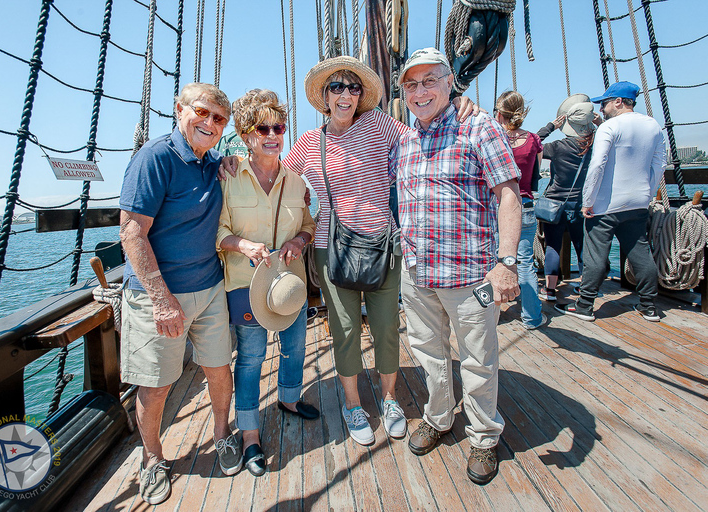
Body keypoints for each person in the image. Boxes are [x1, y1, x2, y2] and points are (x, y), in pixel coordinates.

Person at [277, 56, 476, 446]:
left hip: (386, 245)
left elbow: (426, 130)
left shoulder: (379, 124)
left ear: (362, 95)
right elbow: (276, 173)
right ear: (324, 97)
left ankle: (389, 400)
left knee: (386, 327)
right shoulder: (308, 143)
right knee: (345, 330)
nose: (346, 94)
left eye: (353, 87)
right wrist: (231, 164)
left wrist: (459, 107)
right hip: (330, 248)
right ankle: (353, 404)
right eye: (337, 87)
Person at [389, 48, 522, 485]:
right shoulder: (404, 139)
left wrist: (506, 263)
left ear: (450, 84)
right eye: (412, 83)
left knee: (478, 360)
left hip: (469, 276)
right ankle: (439, 416)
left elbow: (508, 195)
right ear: (403, 92)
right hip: (418, 272)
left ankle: (484, 436)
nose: (420, 90)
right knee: (428, 354)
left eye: (430, 80)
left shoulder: (477, 125)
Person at [118, 83, 241, 505]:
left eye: (219, 119)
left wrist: (229, 161)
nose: (209, 123)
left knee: (218, 368)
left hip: (209, 289)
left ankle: (223, 435)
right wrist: (160, 297)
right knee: (155, 386)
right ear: (180, 110)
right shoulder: (154, 158)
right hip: (160, 297)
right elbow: (132, 231)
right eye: (202, 113)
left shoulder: (212, 163)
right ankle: (152, 459)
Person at [216, 89, 318, 476]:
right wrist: (242, 245)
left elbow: (309, 225)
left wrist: (298, 240)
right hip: (246, 285)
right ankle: (250, 436)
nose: (273, 134)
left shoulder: (296, 182)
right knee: (251, 360)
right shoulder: (228, 177)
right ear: (246, 134)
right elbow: (217, 233)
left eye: (279, 126)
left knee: (295, 348)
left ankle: (289, 400)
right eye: (263, 127)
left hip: (288, 287)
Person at [555, 81, 666, 322]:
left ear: (618, 102)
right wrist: (647, 194)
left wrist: (588, 200)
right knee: (641, 253)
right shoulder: (653, 126)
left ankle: (584, 306)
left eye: (604, 103)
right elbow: (659, 165)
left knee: (595, 255)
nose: (601, 109)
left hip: (605, 205)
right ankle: (649, 306)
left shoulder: (609, 128)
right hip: (638, 202)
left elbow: (598, 165)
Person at [536, 94, 600, 301]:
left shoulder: (558, 147)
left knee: (553, 246)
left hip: (555, 204)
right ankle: (587, 288)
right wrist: (599, 123)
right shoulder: (595, 145)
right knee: (583, 247)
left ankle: (550, 291)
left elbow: (533, 143)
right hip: (581, 204)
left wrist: (551, 127)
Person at [494, 91, 546, 329]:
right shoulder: (534, 140)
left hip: (496, 207)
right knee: (524, 264)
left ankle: (489, 318)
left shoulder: (494, 139)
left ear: (499, 112)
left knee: (489, 263)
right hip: (524, 205)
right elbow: (536, 172)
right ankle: (532, 317)